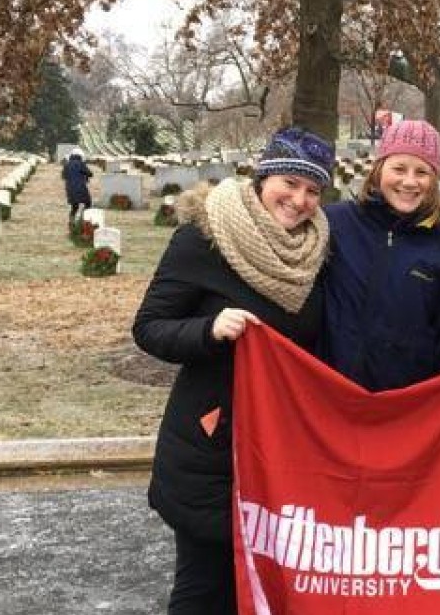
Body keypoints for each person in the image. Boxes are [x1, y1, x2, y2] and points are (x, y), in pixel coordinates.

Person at [132, 127, 334, 615]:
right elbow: (150, 327)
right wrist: (208, 330)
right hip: (211, 446)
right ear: (263, 177)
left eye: (313, 191)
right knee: (205, 589)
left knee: (264, 585)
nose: (300, 200)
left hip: (281, 450)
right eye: (290, 182)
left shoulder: (318, 253)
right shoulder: (204, 239)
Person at [319, 118, 440, 392]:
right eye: (399, 168)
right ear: (379, 169)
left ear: (434, 179)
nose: (409, 181)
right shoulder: (335, 223)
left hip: (400, 406)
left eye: (422, 172)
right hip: (330, 395)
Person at [61, 148, 93, 220]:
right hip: (81, 188)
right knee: (88, 203)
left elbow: (63, 176)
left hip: (69, 189)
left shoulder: (67, 164)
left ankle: (71, 221)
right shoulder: (81, 164)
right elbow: (90, 174)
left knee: (75, 206)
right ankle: (83, 218)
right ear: (80, 156)